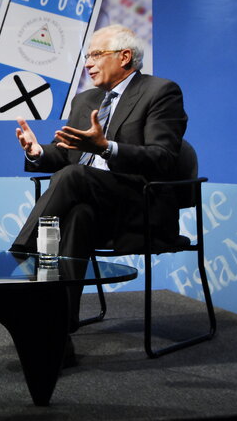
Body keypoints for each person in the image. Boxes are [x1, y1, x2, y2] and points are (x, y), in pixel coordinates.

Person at [11, 24, 188, 362]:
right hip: (94, 205)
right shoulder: (85, 100)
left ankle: (18, 254)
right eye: (86, 56)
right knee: (77, 216)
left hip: (139, 204)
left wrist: (107, 148)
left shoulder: (161, 92)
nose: (88, 63)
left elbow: (164, 159)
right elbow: (66, 154)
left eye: (95, 54)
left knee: (73, 177)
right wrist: (36, 152)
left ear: (125, 57)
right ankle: (60, 333)